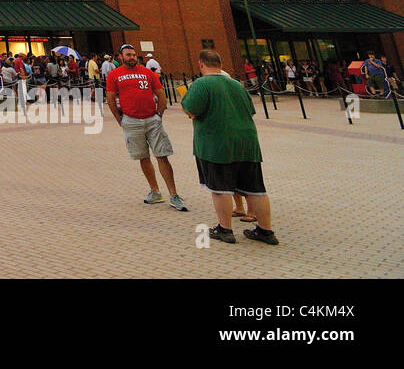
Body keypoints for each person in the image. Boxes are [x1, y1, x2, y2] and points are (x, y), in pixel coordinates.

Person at [181, 49, 278, 246]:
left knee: (219, 188)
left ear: (201, 64)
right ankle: (266, 231)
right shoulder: (236, 84)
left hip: (217, 144)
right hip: (247, 142)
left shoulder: (201, 84)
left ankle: (225, 229)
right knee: (256, 189)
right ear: (221, 64)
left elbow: (190, 109)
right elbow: (250, 110)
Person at [105, 43, 188, 212]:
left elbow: (161, 94)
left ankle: (174, 194)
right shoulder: (114, 75)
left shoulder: (147, 72)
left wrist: (159, 115)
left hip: (152, 119)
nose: (132, 57)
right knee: (143, 157)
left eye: (134, 54)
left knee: (162, 155)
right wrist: (120, 120)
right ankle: (155, 191)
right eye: (128, 55)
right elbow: (111, 98)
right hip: (131, 121)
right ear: (121, 57)